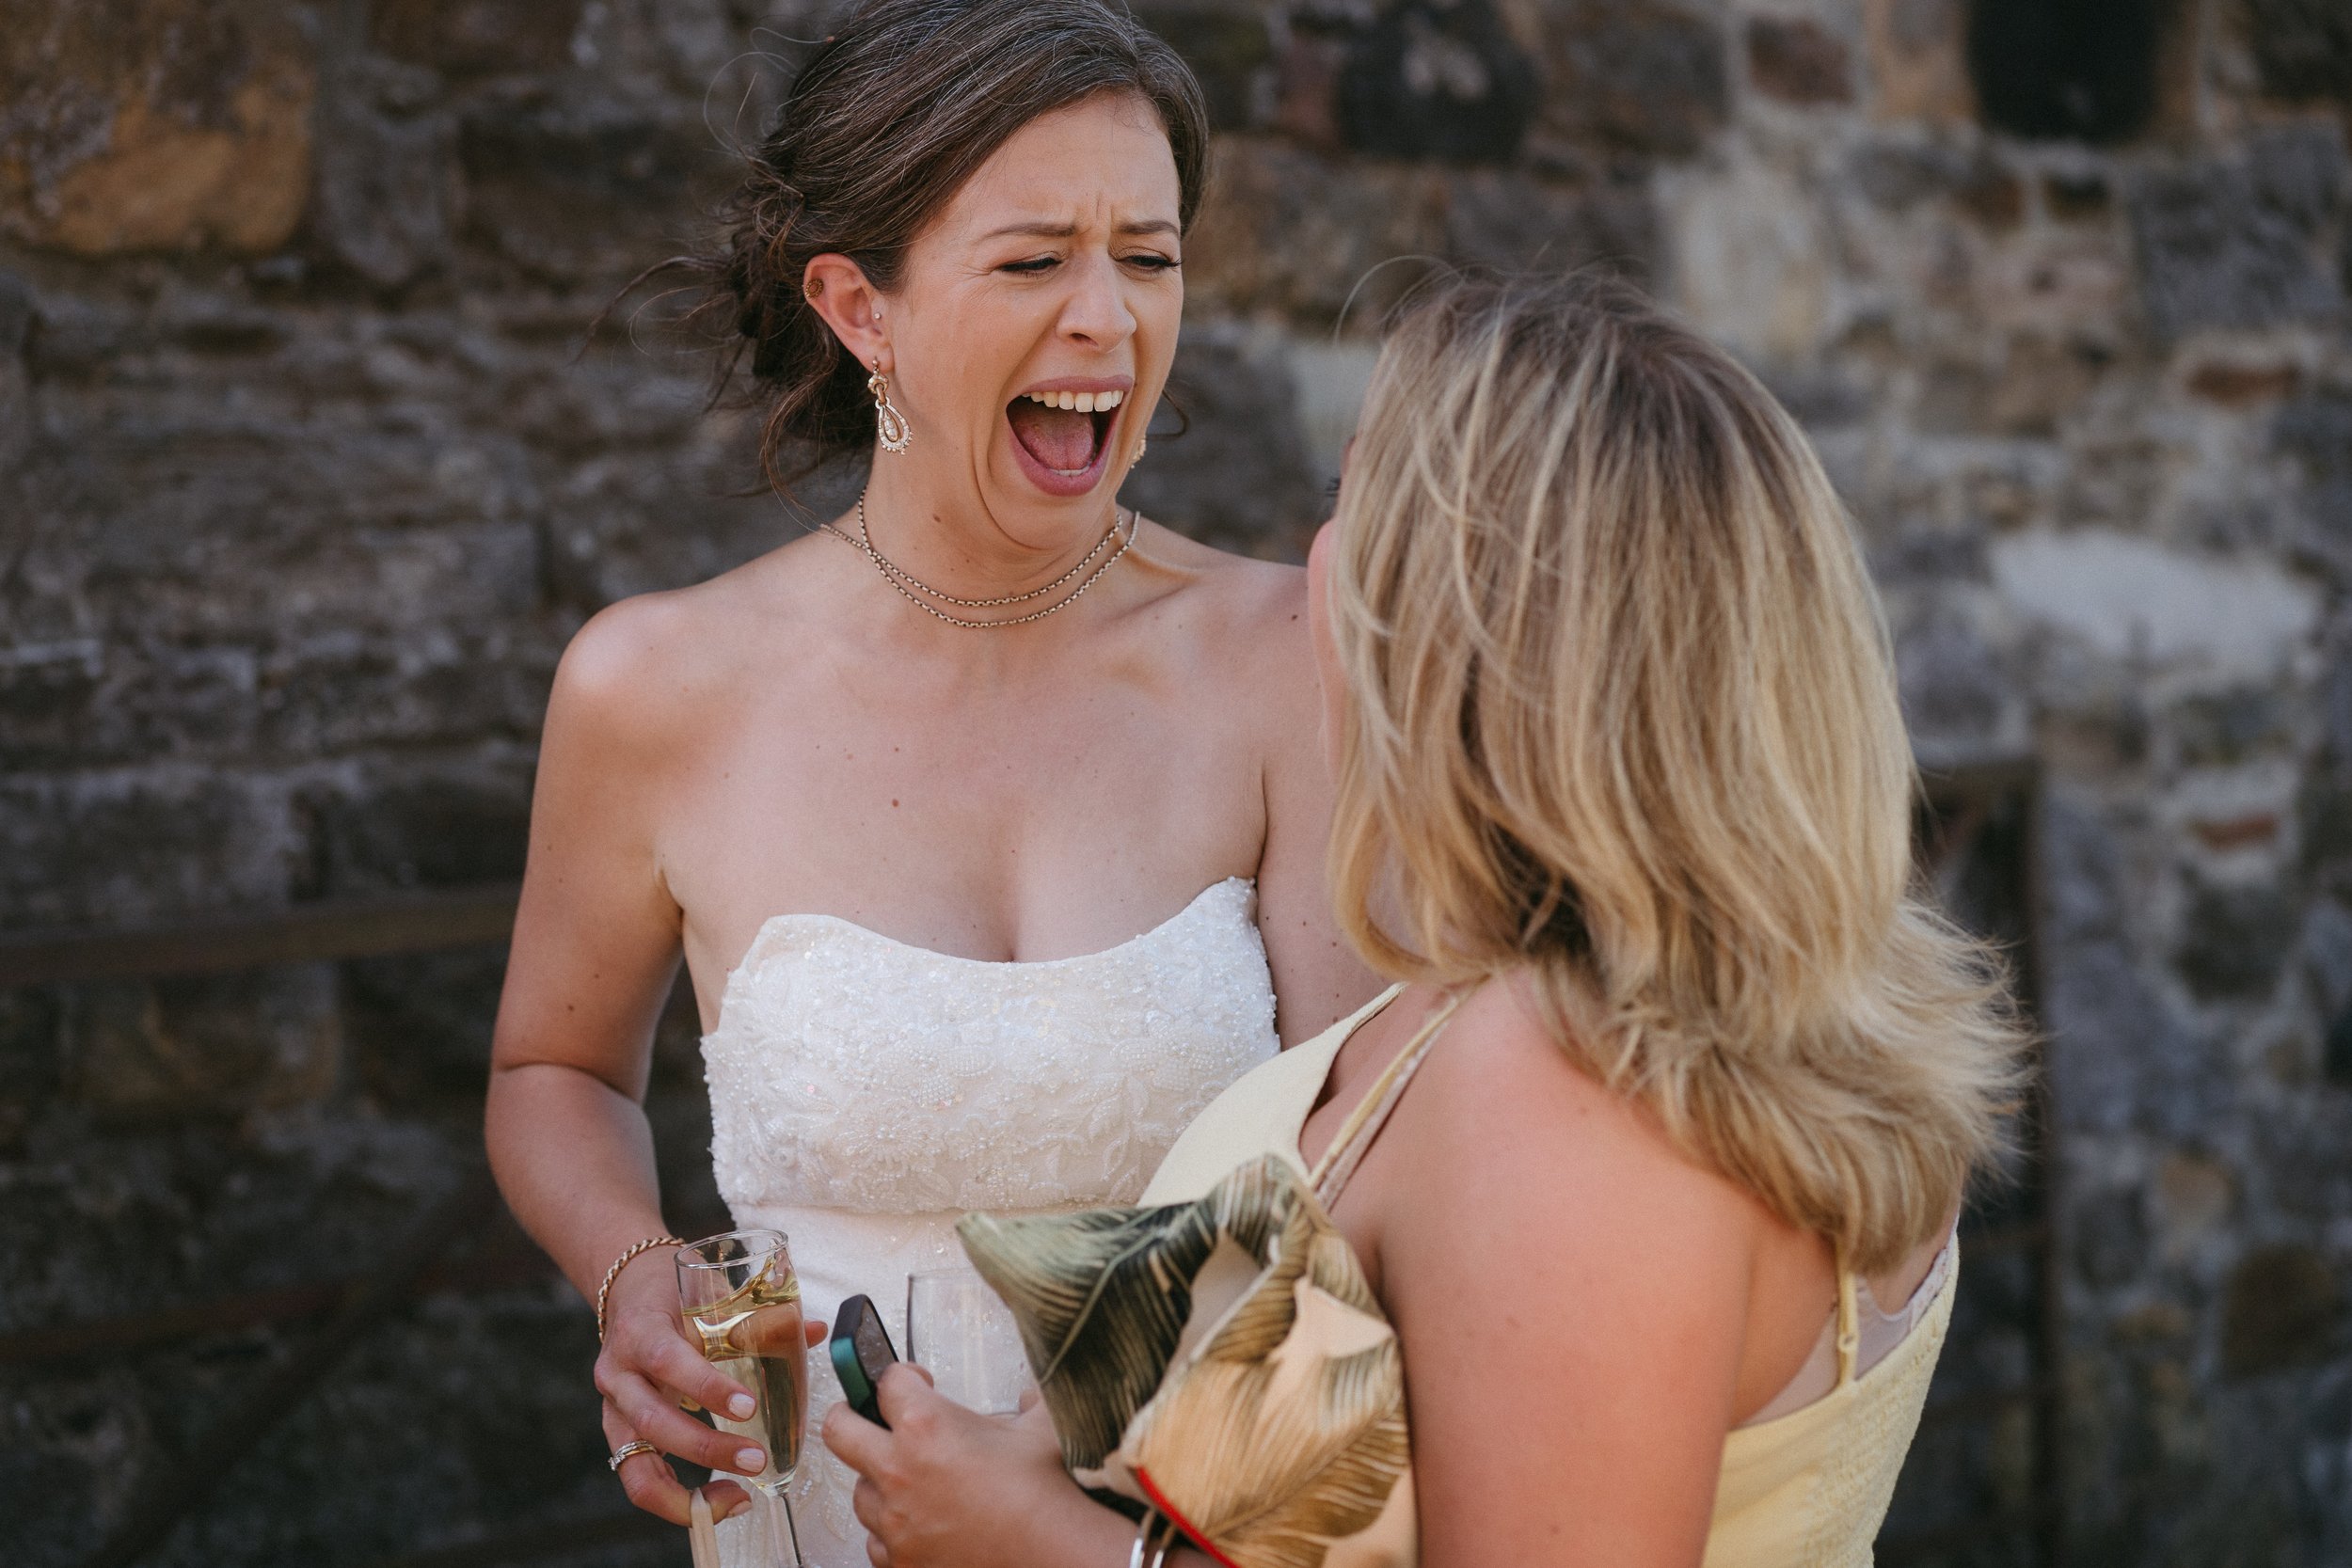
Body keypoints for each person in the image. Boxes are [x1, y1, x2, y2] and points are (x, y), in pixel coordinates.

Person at [822, 272, 2027, 1567]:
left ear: (1462, 628)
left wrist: (1035, 1545)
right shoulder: (1630, 992)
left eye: (1353, 502)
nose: (1313, 560)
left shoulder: (1575, 1092)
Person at [482, 4, 1378, 1563]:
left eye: (1149, 258)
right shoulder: (653, 689)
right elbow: (552, 1076)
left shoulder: (1291, 658)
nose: (1108, 318)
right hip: (809, 1521)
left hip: (1204, 1513)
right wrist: (637, 1276)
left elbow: (1371, 1157)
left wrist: (1072, 1510)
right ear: (859, 307)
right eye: (1034, 261)